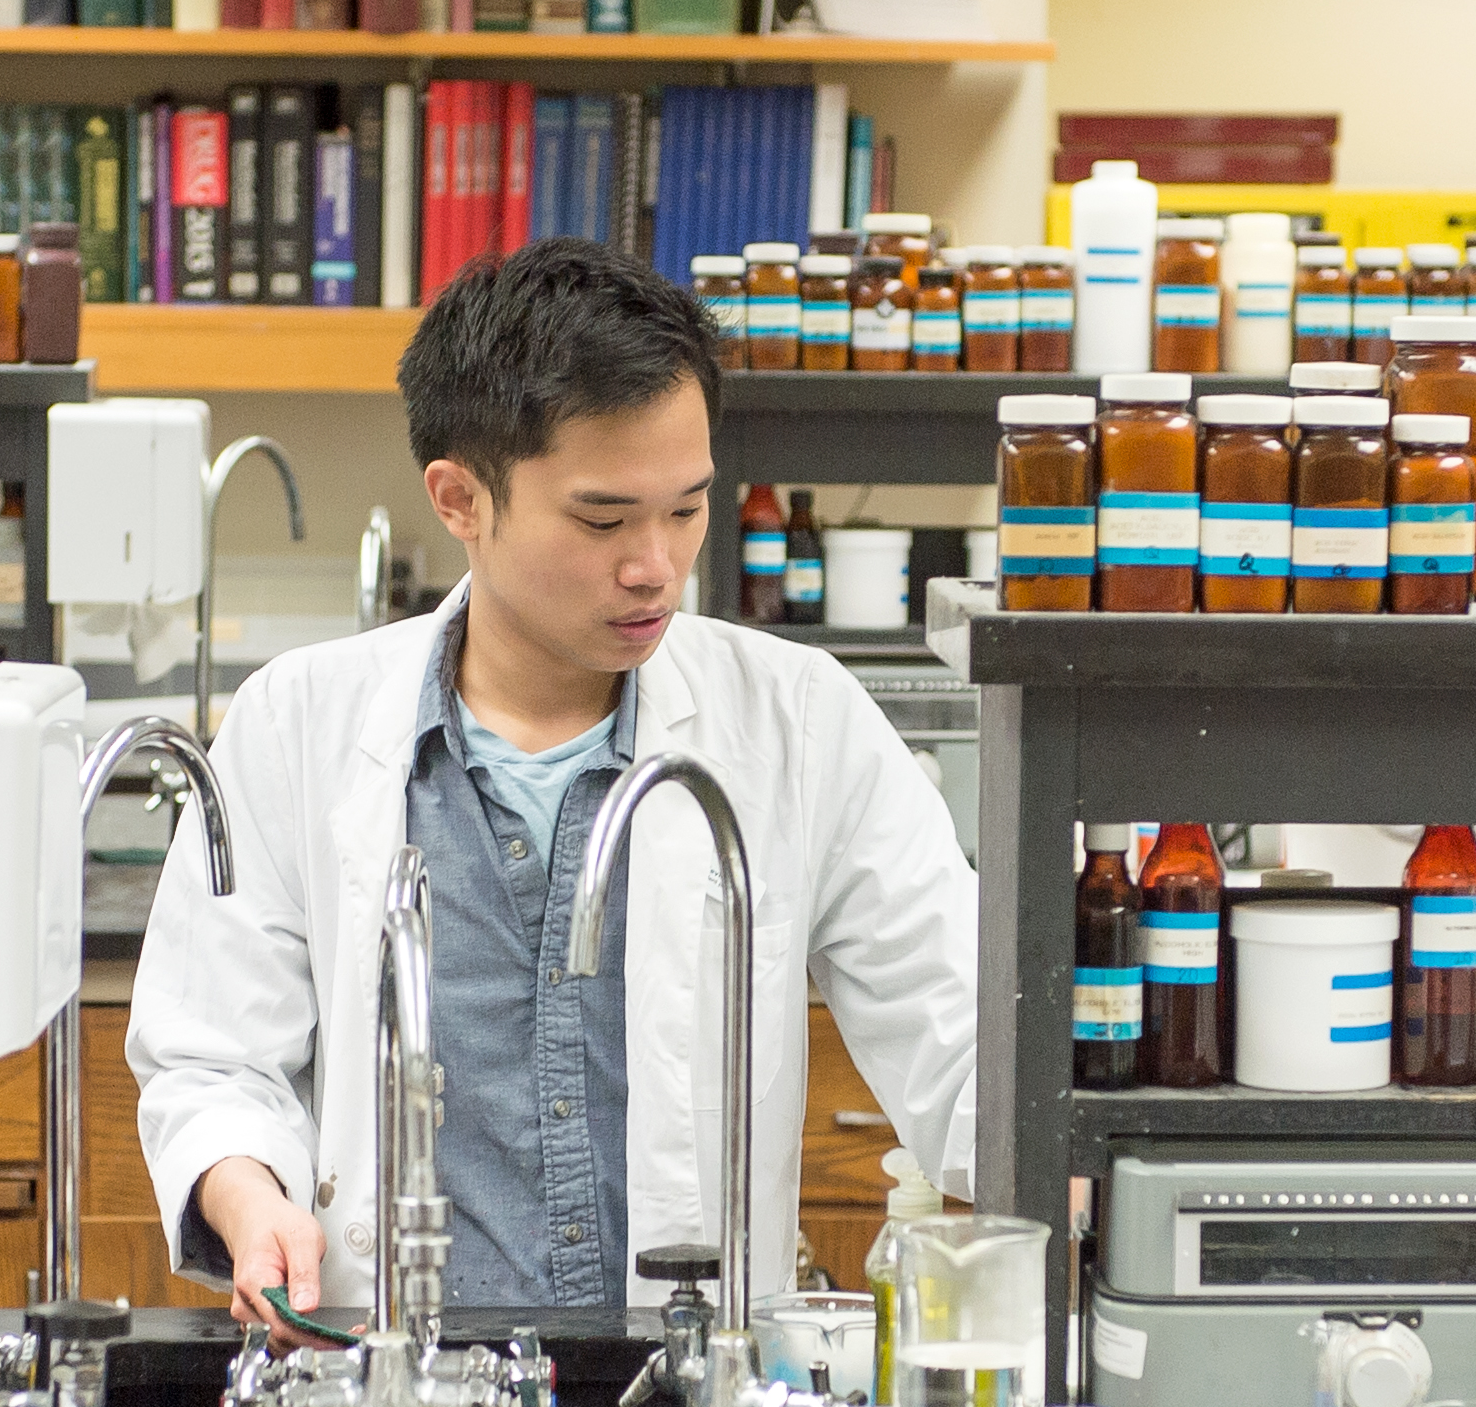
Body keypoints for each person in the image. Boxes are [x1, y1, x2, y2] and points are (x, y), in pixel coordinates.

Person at [136, 239, 976, 1324]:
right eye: (602, 518)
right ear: (459, 499)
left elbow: (953, 1024)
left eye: (684, 508)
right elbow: (210, 1057)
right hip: (388, 1379)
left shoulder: (798, 722)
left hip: (686, 1400)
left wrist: (1090, 1164)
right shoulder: (297, 723)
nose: (656, 564)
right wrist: (248, 1199)